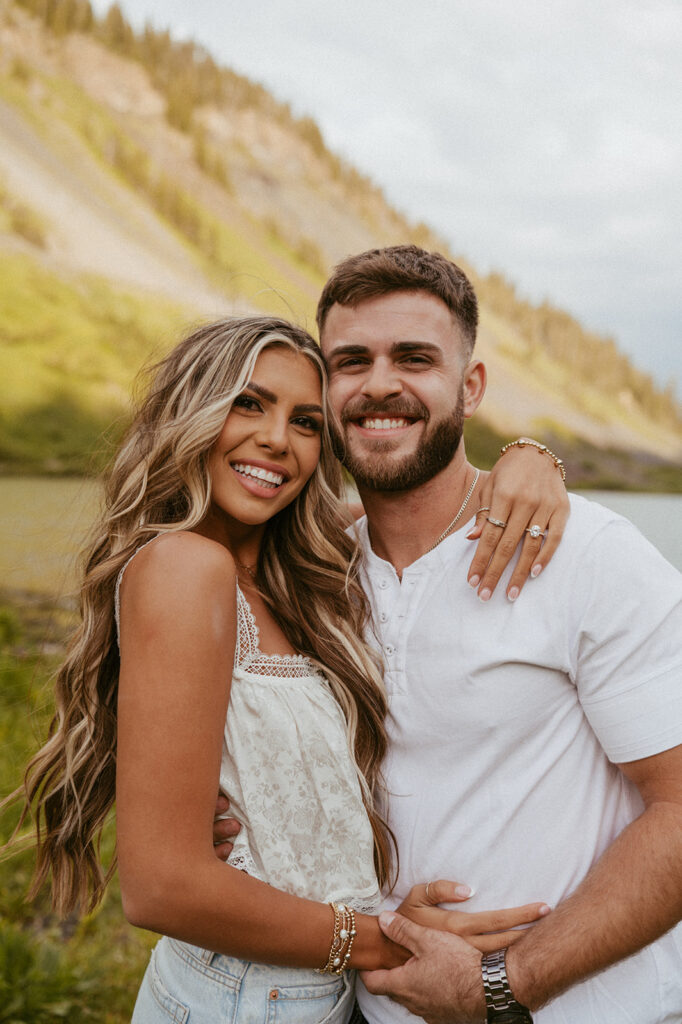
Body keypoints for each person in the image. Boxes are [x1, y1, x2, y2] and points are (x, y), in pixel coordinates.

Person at [13, 315, 567, 1023]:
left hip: (304, 992)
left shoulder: (290, 565)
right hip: (238, 997)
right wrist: (392, 944)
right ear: (191, 412)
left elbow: (424, 504)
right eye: (249, 403)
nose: (277, 439)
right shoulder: (186, 567)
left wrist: (528, 457)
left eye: (306, 422)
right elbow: (161, 889)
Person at [308, 245, 682, 1024]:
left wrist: (503, 985)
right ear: (325, 387)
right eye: (352, 361)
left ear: (469, 386)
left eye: (414, 358)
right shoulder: (316, 575)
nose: (380, 384)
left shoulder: (589, 554)